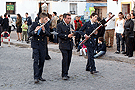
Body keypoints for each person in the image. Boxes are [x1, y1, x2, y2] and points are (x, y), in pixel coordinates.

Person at [29, 13, 51, 83]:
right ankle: (36, 77)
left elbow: (49, 34)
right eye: (46, 19)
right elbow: (29, 33)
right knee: (36, 60)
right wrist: (35, 31)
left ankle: (40, 76)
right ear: (42, 18)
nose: (47, 20)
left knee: (42, 60)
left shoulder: (46, 25)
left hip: (42, 45)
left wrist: (44, 30)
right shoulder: (34, 24)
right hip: (35, 44)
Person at [57, 13, 74, 80]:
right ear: (64, 19)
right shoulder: (60, 25)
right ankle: (63, 74)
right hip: (63, 44)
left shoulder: (70, 25)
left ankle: (66, 73)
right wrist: (66, 36)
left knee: (69, 59)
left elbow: (73, 32)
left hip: (69, 44)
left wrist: (74, 33)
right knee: (65, 59)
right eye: (68, 18)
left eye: (70, 18)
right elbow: (59, 34)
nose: (69, 20)